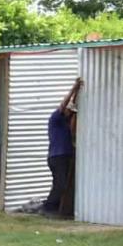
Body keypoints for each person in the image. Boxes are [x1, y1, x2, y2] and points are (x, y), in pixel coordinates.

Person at [44, 78, 82, 217]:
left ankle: (55, 208)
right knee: (61, 184)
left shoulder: (65, 124)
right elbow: (65, 104)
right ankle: (49, 208)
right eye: (69, 112)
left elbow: (72, 108)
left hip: (63, 156)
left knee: (60, 184)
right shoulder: (56, 118)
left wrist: (77, 92)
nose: (70, 114)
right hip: (57, 157)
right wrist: (74, 87)